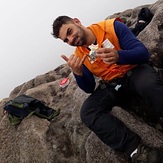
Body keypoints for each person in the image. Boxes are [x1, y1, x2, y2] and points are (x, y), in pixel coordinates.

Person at [52, 15, 163, 162]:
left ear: (77, 21)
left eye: (69, 32)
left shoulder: (112, 27)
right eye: (66, 40)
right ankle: (137, 150)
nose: (70, 39)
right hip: (114, 85)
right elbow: (89, 87)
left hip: (135, 71)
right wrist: (78, 74)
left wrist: (119, 55)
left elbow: (142, 53)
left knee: (149, 85)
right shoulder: (80, 55)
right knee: (88, 111)